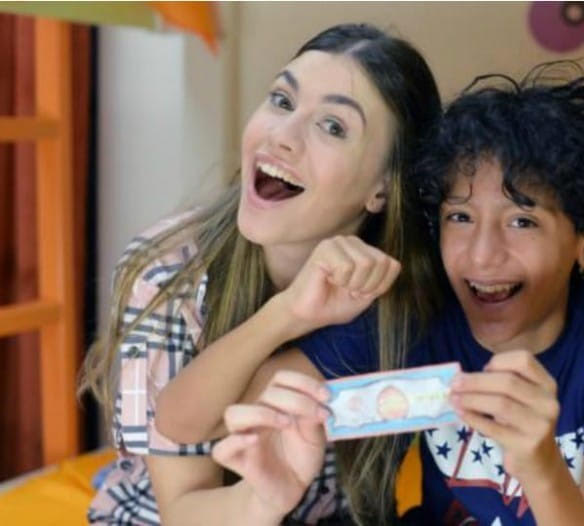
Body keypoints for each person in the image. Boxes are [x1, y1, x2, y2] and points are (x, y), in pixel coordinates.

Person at [210, 63, 584, 525]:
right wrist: (288, 315)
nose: (483, 255)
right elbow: (210, 413)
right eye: (461, 217)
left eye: (522, 221)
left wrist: (542, 468)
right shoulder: (423, 310)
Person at [78, 22, 442, 525]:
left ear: (382, 187)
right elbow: (183, 510)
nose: (282, 136)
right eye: (281, 101)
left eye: (333, 126)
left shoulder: (407, 291)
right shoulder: (170, 273)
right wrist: (286, 314)